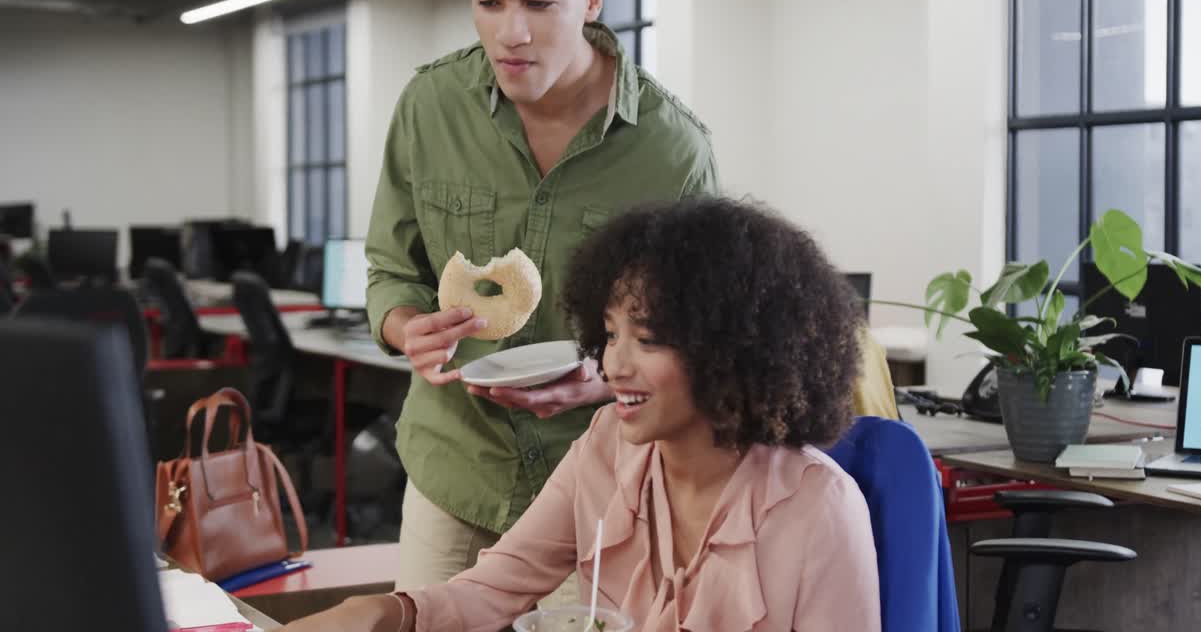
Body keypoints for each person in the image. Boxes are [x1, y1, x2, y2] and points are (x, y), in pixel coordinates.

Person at [286, 197, 881, 631]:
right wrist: (380, 612)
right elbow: (496, 589)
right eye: (609, 334)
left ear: (731, 349)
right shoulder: (609, 447)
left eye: (646, 340)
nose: (613, 365)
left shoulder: (817, 509)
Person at [363, 0, 719, 589]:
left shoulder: (673, 152)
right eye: (488, 2)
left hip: (604, 484)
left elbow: (698, 338)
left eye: (538, 1)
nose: (511, 33)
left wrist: (612, 379)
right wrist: (408, 328)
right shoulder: (429, 106)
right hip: (455, 471)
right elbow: (389, 269)